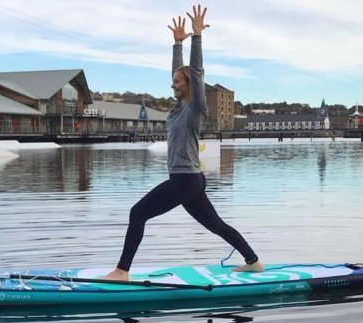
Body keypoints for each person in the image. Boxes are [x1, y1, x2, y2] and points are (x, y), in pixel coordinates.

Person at [104, 5, 263, 281]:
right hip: (190, 179)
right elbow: (181, 72)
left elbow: (196, 72)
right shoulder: (177, 109)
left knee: (137, 213)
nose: (172, 85)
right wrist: (177, 43)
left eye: (178, 82)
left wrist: (196, 38)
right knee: (216, 225)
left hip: (185, 180)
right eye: (172, 81)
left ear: (189, 84)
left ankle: (122, 271)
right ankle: (253, 261)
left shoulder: (194, 108)